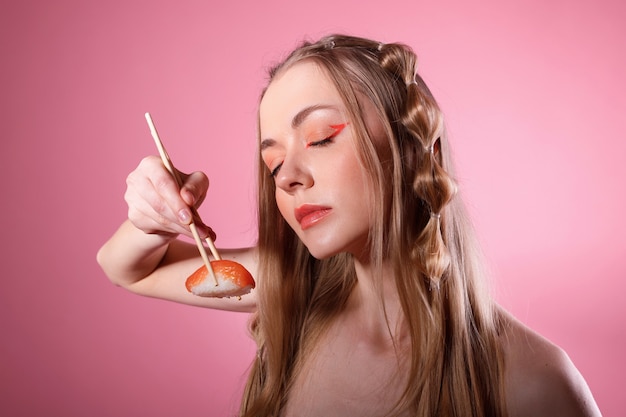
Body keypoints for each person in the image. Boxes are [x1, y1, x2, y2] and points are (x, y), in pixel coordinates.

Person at [97, 34, 601, 416]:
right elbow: (128, 270)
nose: (288, 177)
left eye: (319, 138)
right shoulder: (293, 291)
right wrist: (152, 218)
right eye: (272, 164)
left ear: (415, 145)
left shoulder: (536, 384)